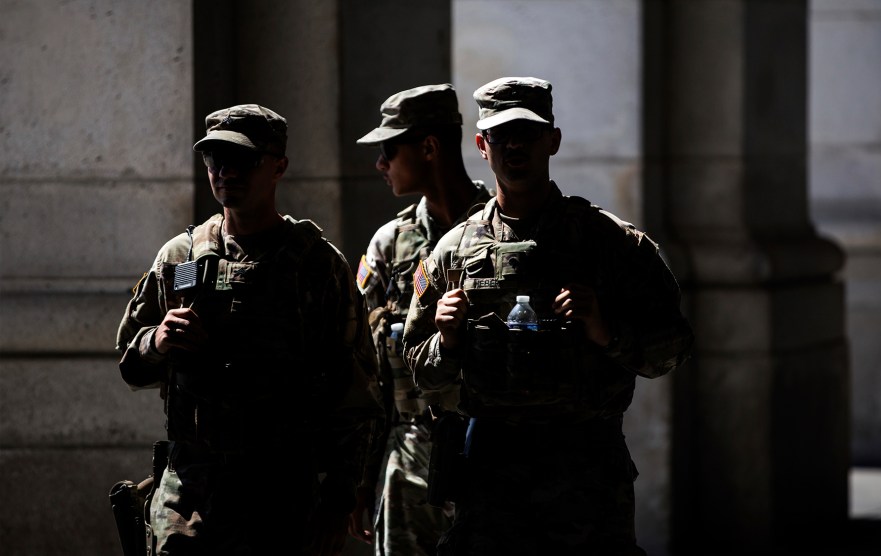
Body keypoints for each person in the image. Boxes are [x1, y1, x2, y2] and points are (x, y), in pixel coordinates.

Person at [402, 77, 694, 555]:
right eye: (501, 134)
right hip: (490, 477)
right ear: (481, 145)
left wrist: (606, 331)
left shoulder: (612, 243)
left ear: (552, 140)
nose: (514, 144)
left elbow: (674, 348)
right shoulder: (451, 252)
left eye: (528, 132)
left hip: (585, 473)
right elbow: (420, 374)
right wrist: (446, 341)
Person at [115, 104, 384, 556]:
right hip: (190, 495)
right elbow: (129, 362)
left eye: (243, 160)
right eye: (215, 159)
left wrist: (338, 499)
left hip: (280, 491)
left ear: (278, 167)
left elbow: (355, 393)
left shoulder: (318, 266)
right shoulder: (180, 256)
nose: (225, 171)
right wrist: (158, 340)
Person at [354, 83, 491, 556]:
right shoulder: (390, 246)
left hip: (493, 461)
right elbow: (367, 376)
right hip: (410, 465)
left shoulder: (501, 231)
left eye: (388, 150)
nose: (380, 165)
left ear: (428, 147)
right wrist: (360, 481)